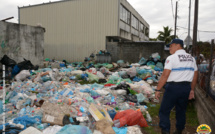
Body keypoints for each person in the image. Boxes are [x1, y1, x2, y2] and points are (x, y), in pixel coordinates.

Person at [155, 39, 198, 134]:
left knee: (164, 110)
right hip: (186, 87)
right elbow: (195, 76)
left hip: (173, 88)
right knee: (181, 111)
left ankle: (165, 131)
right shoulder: (191, 59)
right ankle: (179, 130)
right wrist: (192, 90)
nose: (169, 48)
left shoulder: (172, 58)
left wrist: (158, 89)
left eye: (170, 46)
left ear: (177, 45)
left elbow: (165, 75)